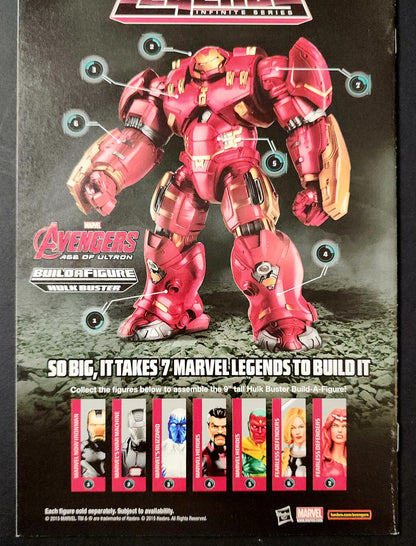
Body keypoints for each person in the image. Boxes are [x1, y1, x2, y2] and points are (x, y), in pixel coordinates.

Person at [68, 40, 350, 352]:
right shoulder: (171, 84)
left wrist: (315, 184)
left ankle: (282, 312)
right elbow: (139, 136)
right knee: (166, 235)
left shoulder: (258, 72)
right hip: (191, 171)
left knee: (255, 235)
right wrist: (108, 175)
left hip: (237, 167)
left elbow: (305, 121)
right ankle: (167, 308)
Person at [321, 408, 347, 478]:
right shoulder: (321, 461)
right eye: (335, 425)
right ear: (329, 429)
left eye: (345, 426)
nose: (340, 430)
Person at [281, 407, 306, 477]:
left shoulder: (317, 456)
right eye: (293, 428)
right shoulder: (282, 456)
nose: (297, 432)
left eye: (301, 427)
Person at [161, 408, 186, 478]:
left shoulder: (197, 449)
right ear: (168, 426)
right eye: (174, 424)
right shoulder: (160, 449)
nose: (178, 428)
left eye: (183, 425)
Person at [80, 409, 106, 477]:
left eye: (102, 425)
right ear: (88, 427)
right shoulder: (82, 447)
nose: (98, 429)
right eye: (93, 425)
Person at [202, 407, 226, 477]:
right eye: (215, 426)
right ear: (208, 428)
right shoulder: (200, 456)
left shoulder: (240, 455)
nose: (220, 431)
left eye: (224, 427)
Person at [241, 409, 266, 477]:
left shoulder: (274, 449)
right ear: (249, 426)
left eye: (264, 427)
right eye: (255, 427)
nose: (260, 431)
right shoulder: (239, 447)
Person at [121, 408, 146, 477]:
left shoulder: (158, 450)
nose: (139, 432)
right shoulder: (121, 450)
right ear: (129, 428)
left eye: (143, 427)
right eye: (135, 428)